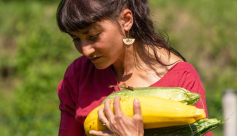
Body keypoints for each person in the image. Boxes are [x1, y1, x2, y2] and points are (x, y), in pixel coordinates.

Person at [56, 0, 212, 136]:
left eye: (93, 36)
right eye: (76, 39)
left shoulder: (181, 79)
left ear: (126, 20)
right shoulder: (78, 75)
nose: (85, 50)